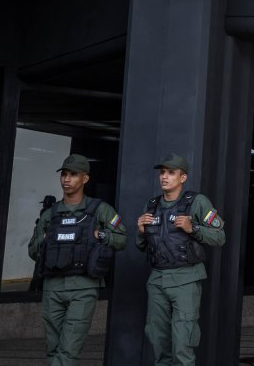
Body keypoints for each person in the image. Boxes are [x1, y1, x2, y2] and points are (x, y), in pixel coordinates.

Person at [28, 154, 127, 366]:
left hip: (83, 287)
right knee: (53, 349)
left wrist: (100, 235)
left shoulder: (100, 210)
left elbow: (121, 239)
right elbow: (32, 250)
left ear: (85, 178)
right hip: (52, 287)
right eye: (64, 174)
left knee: (69, 349)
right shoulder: (50, 214)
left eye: (73, 175)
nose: (67, 179)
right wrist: (44, 241)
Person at [136, 153, 226, 366]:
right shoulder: (152, 205)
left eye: (171, 173)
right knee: (158, 341)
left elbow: (219, 237)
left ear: (182, 177)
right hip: (157, 280)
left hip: (186, 280)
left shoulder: (196, 202)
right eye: (162, 173)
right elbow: (141, 246)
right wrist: (140, 231)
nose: (164, 177)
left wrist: (192, 227)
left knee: (182, 344)